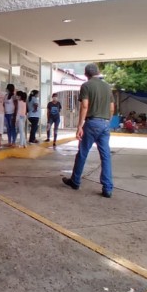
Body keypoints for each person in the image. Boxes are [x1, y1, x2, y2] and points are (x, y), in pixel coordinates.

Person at [62, 63, 115, 198]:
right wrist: (108, 121)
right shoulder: (107, 87)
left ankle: (75, 181)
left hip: (92, 123)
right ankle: (107, 188)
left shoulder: (86, 86)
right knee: (105, 156)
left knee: (83, 153)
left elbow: (85, 106)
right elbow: (112, 107)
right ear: (98, 72)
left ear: (86, 74)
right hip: (105, 124)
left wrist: (80, 125)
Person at [4, 83, 17, 147]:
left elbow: (16, 105)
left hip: (11, 113)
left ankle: (13, 142)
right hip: (6, 114)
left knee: (13, 128)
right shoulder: (6, 95)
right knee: (8, 128)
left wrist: (14, 115)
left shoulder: (13, 96)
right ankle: (9, 142)